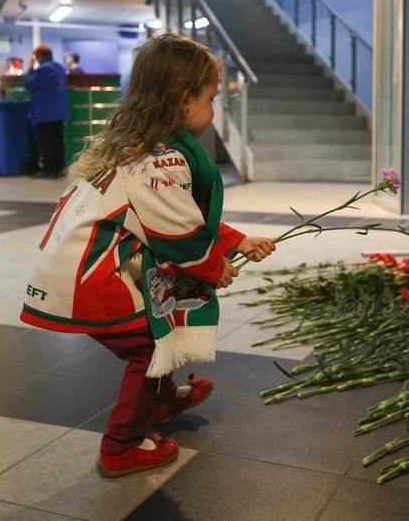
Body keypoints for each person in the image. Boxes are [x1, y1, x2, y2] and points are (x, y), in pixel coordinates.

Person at [21, 33, 276, 478]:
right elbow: (180, 234)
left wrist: (235, 241)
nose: (213, 110)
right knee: (148, 345)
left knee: (153, 331)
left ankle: (158, 400)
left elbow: (179, 215)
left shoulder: (139, 149)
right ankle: (121, 447)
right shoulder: (160, 160)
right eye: (211, 99)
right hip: (91, 282)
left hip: (79, 271)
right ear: (183, 100)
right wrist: (215, 269)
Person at [25, 44, 69, 177]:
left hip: (45, 112)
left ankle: (48, 169)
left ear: (39, 56)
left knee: (47, 142)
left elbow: (29, 84)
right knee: (58, 140)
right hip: (59, 111)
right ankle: (59, 168)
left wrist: (30, 68)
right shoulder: (59, 68)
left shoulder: (42, 70)